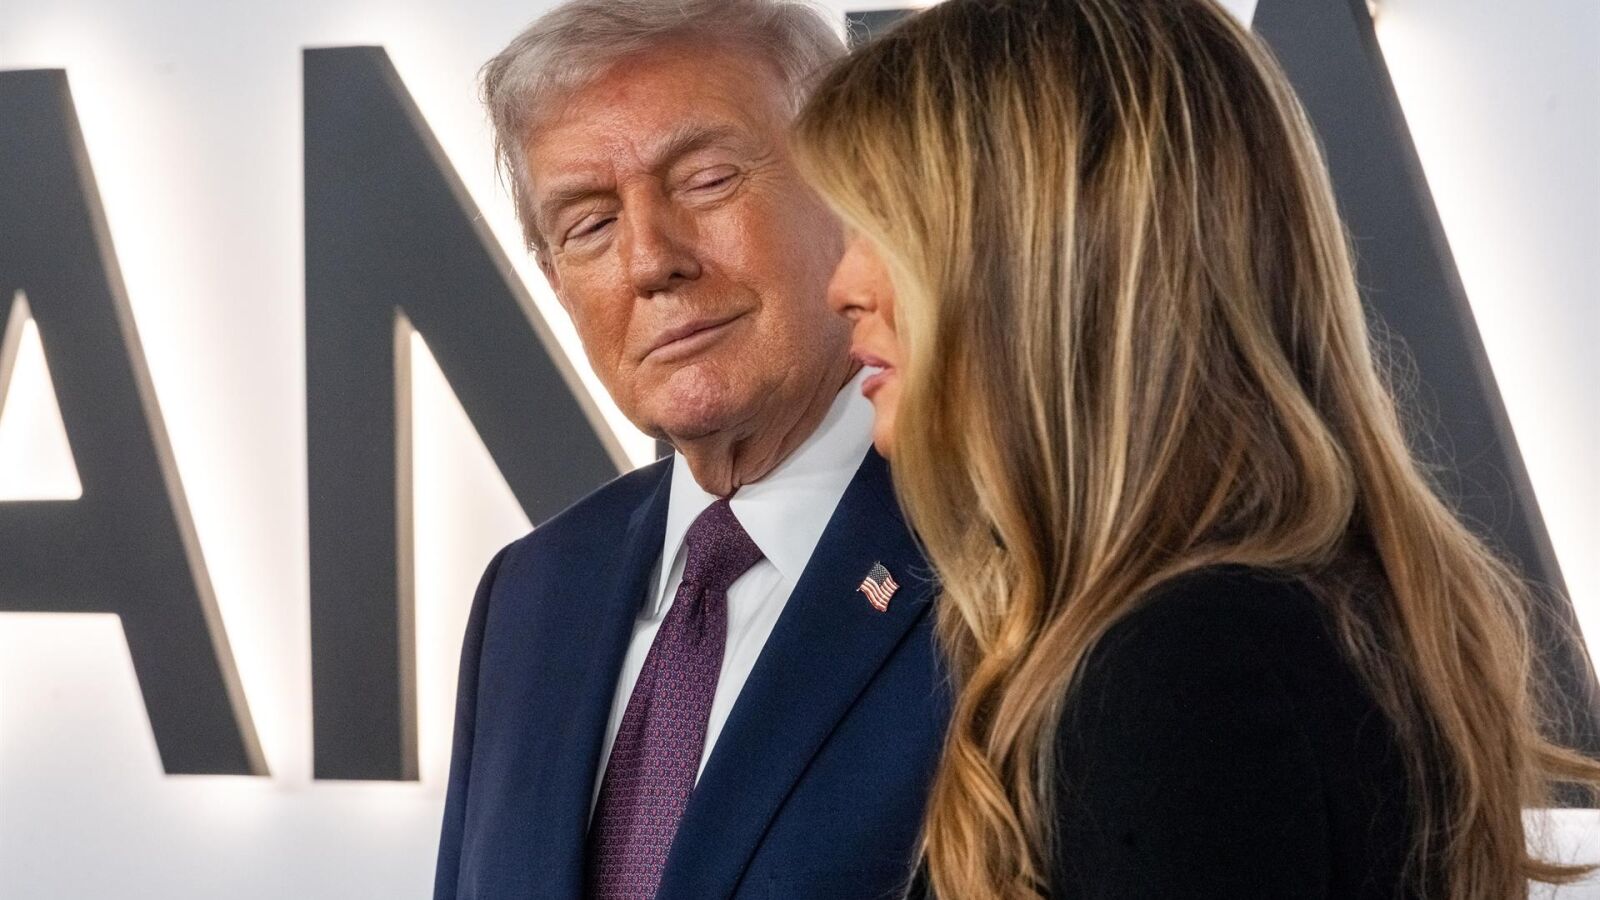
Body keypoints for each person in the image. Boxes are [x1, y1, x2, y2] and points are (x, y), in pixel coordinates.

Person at [793, 0, 1600, 897]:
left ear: (1046, 261)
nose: (841, 286)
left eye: (885, 226)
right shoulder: (1277, 621)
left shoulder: (1180, 675)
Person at [433, 2, 950, 898]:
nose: (650, 260)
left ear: (849, 196)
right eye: (589, 225)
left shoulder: (998, 560)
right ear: (555, 282)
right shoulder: (530, 595)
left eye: (707, 181)